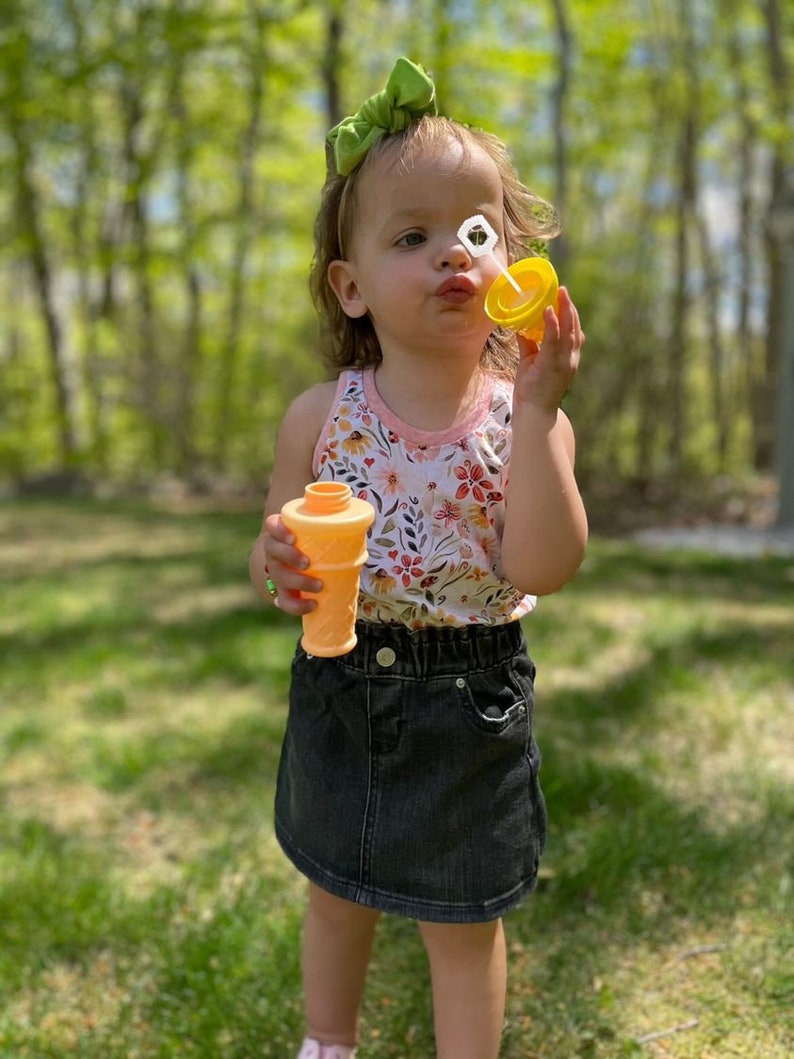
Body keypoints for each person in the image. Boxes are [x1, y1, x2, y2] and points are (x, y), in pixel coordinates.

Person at [249, 57, 587, 1059]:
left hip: (468, 701)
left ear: (513, 269)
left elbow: (541, 565)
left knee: (461, 918)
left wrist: (535, 415)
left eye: (476, 233)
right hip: (340, 683)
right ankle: (326, 1042)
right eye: (413, 236)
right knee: (334, 889)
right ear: (348, 288)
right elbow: (274, 551)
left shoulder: (522, 419)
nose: (453, 255)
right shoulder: (320, 417)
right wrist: (272, 561)